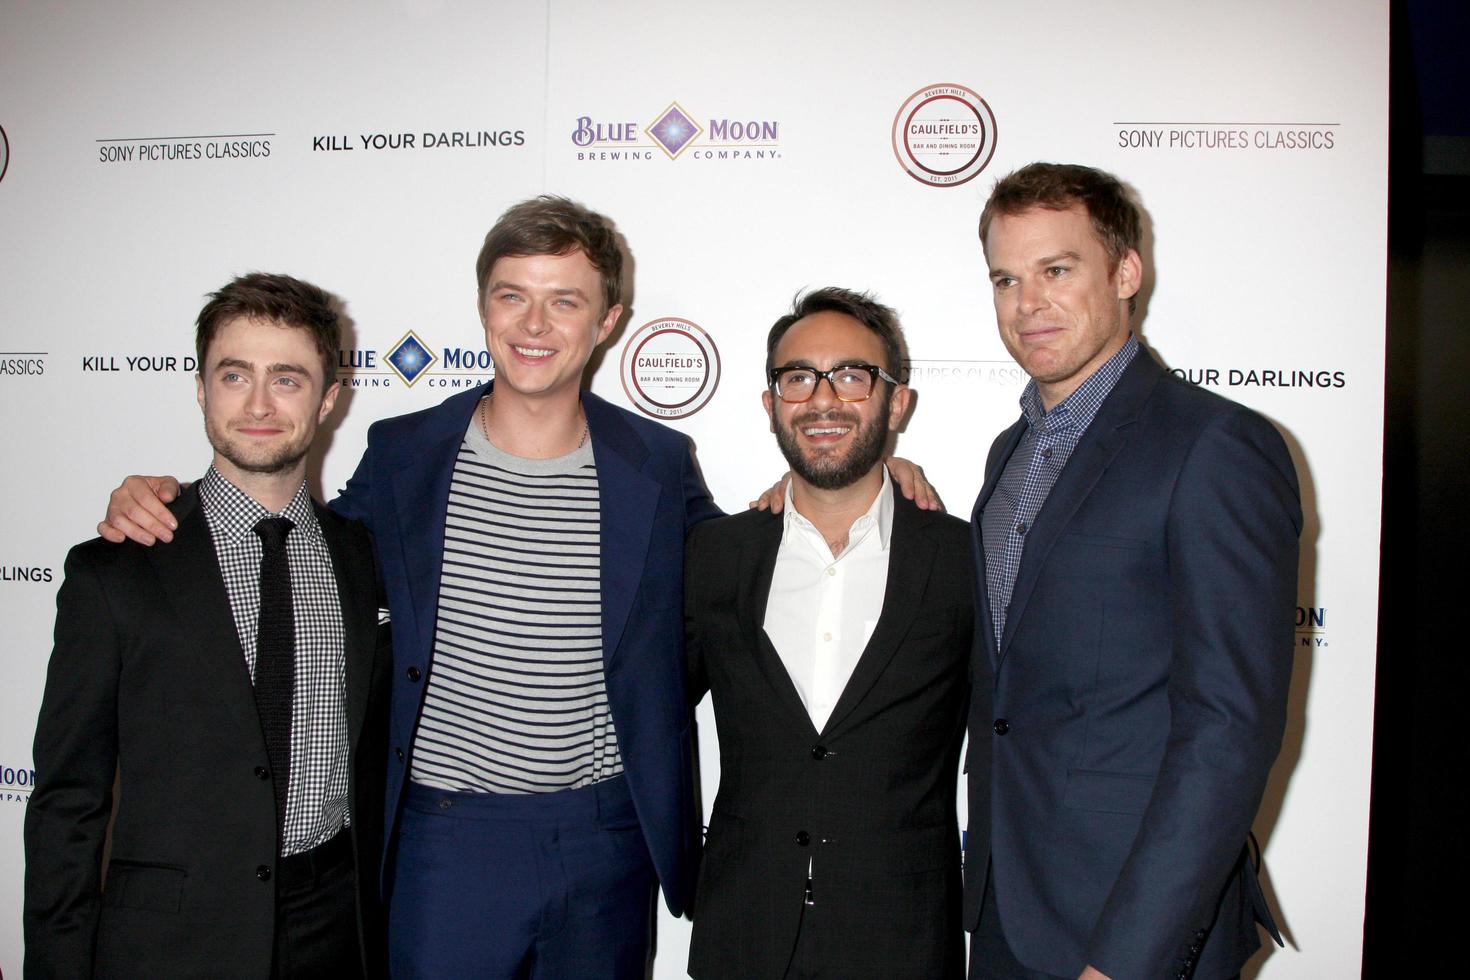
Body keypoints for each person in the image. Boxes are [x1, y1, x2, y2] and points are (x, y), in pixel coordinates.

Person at [963, 163, 1302, 980]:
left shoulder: (1214, 447)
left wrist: (1128, 957)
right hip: (1007, 909)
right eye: (1005, 279)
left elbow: (1227, 730)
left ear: (1125, 272)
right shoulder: (1008, 454)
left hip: (1129, 929)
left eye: (1056, 270)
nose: (1026, 304)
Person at [24, 273, 391, 979]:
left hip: (337, 933)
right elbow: (68, 802)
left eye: (287, 378)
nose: (258, 404)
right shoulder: (115, 571)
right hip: (170, 942)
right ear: (200, 388)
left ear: (328, 400)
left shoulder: (365, 555)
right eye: (234, 375)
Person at [684, 288, 972, 980]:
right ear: (771, 404)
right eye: (797, 377)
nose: (823, 399)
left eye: (851, 375)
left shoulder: (965, 559)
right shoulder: (712, 555)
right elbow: (643, 714)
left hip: (903, 937)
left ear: (896, 403)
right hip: (742, 933)